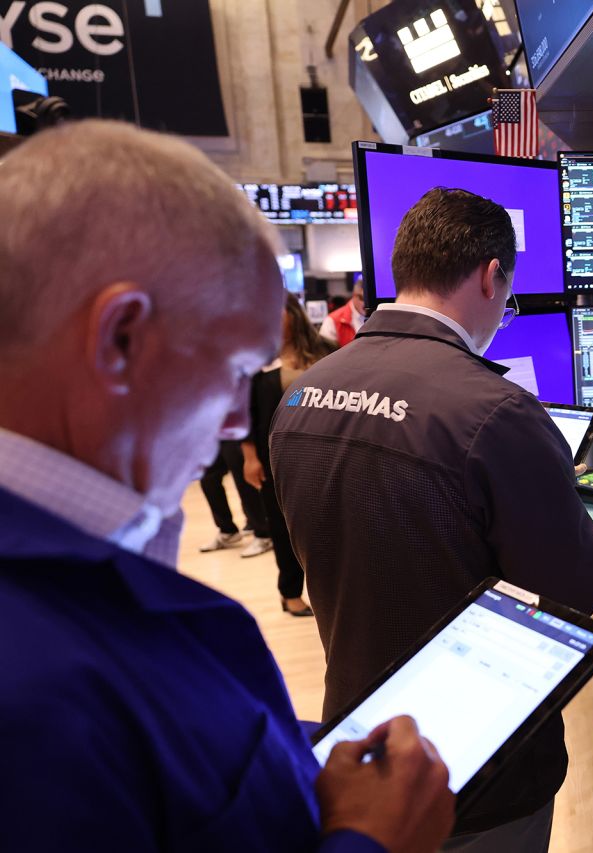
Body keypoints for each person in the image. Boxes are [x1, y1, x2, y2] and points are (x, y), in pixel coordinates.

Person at [0, 119, 454, 851]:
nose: (241, 418)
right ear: (120, 338)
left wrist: (294, 757)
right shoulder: (31, 707)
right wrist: (373, 841)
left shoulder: (92, 557)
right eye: (238, 370)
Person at [270, 187, 593, 850]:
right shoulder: (496, 411)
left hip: (362, 738)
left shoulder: (301, 394)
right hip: (480, 768)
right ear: (490, 276)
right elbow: (571, 589)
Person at [243, 295, 333, 616]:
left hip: (323, 455)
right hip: (275, 458)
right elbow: (246, 413)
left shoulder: (326, 350)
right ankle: (289, 591)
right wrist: (249, 457)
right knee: (282, 528)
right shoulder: (257, 359)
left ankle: (330, 593)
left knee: (327, 527)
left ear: (293, 315)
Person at [198, 438, 272, 554]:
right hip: (215, 433)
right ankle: (228, 531)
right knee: (208, 478)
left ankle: (263, 535)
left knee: (243, 477)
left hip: (236, 432)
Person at [319, 278, 365, 346]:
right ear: (354, 295)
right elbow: (325, 352)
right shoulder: (332, 320)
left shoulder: (381, 316)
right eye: (362, 298)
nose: (366, 303)